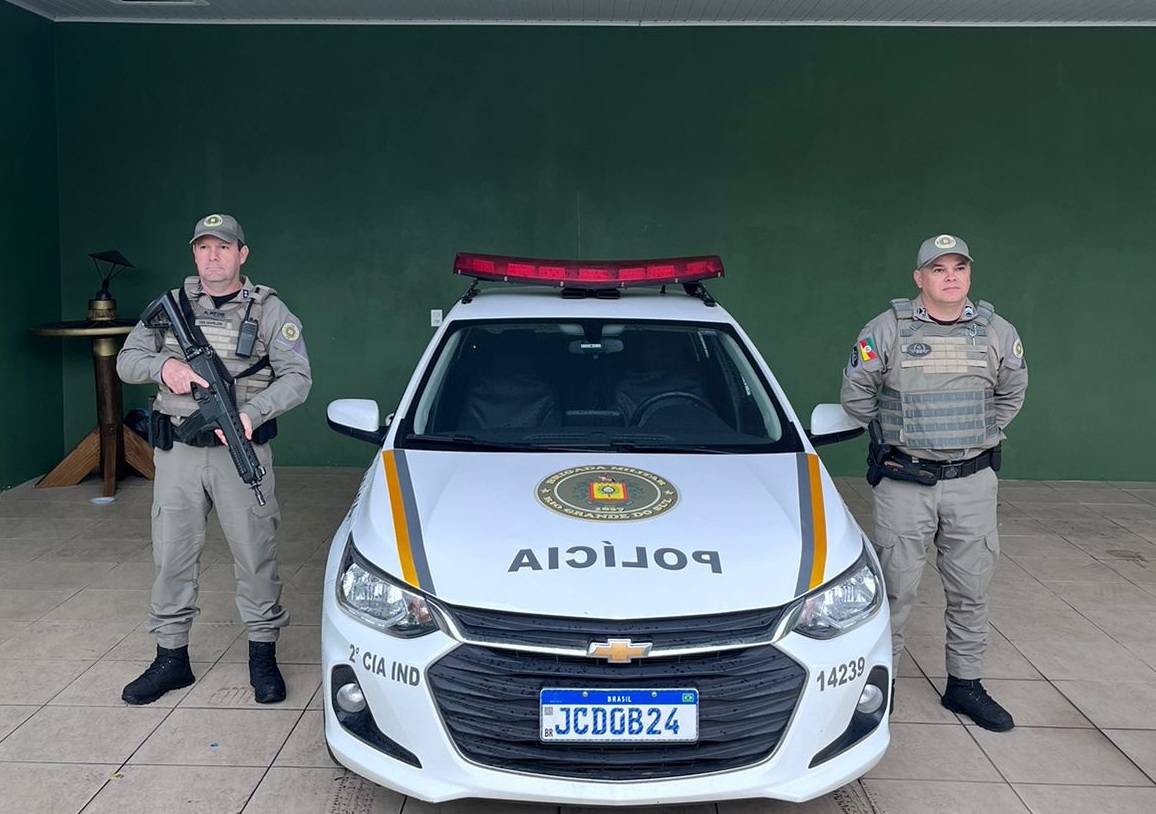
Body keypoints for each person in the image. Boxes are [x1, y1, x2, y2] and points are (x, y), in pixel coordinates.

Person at [117, 213, 312, 705]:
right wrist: (166, 365)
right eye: (203, 247)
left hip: (240, 451)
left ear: (241, 254)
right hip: (178, 454)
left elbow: (298, 378)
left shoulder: (269, 309)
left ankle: (263, 657)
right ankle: (170, 658)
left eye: (223, 248)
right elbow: (126, 360)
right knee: (172, 555)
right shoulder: (171, 307)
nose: (212, 256)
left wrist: (251, 412)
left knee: (255, 554)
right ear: (194, 255)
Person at [840, 233, 1027, 732]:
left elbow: (1012, 392)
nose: (950, 276)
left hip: (972, 482)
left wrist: (980, 437)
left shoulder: (995, 331)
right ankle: (882, 685)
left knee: (972, 590)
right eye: (938, 268)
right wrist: (894, 436)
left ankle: (965, 685)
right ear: (920, 278)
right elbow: (856, 394)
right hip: (906, 483)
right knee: (894, 590)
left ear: (968, 275)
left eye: (959, 268)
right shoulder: (887, 329)